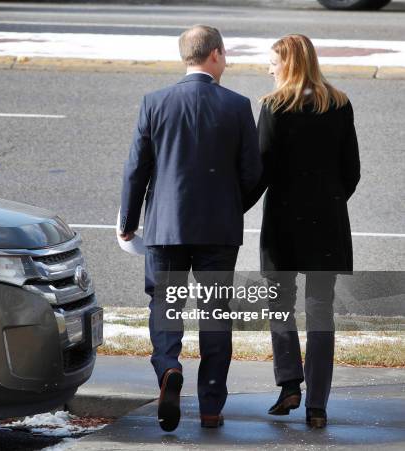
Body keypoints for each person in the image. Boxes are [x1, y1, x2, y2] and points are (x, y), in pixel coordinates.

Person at [119, 25, 262, 432]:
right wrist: (231, 207)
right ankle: (212, 405)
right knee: (215, 313)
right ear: (215, 55)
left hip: (166, 226)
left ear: (186, 57)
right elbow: (252, 172)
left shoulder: (155, 102)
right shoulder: (237, 105)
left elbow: (136, 169)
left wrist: (129, 221)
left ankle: (168, 367)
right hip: (218, 228)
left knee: (165, 305)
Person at [245, 34, 361, 428]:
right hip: (328, 221)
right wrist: (328, 201)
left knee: (278, 303)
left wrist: (233, 207)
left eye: (273, 62)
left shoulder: (275, 106)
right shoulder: (339, 103)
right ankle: (317, 405)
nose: (269, 68)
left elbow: (262, 169)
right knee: (320, 311)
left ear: (289, 64)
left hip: (283, 219)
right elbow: (352, 170)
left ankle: (289, 382)